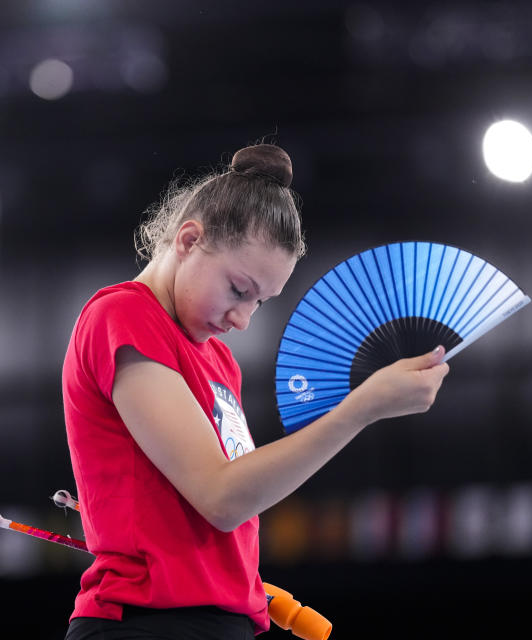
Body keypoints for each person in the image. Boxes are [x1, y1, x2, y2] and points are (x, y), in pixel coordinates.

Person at [61, 142, 449, 639]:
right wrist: (361, 409)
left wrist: (235, 581)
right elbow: (221, 497)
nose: (242, 320)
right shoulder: (123, 317)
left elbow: (234, 503)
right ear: (188, 240)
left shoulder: (217, 358)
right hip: (146, 625)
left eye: (260, 303)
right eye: (239, 290)